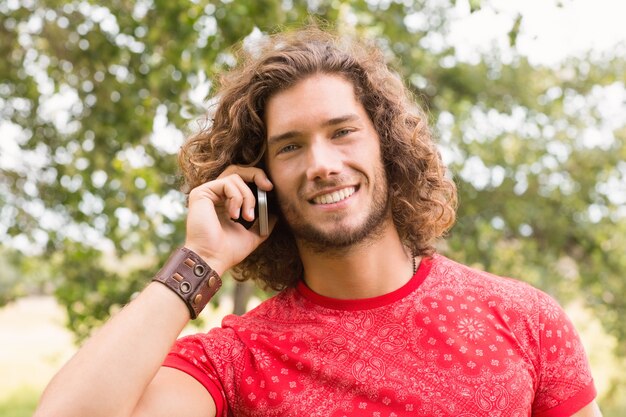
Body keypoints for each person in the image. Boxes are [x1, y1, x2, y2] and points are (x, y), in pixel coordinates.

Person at [35, 28, 601, 417]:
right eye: (289, 147)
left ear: (388, 146)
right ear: (262, 179)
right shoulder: (236, 362)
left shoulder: (525, 319)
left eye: (342, 131)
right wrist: (199, 263)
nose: (322, 165)